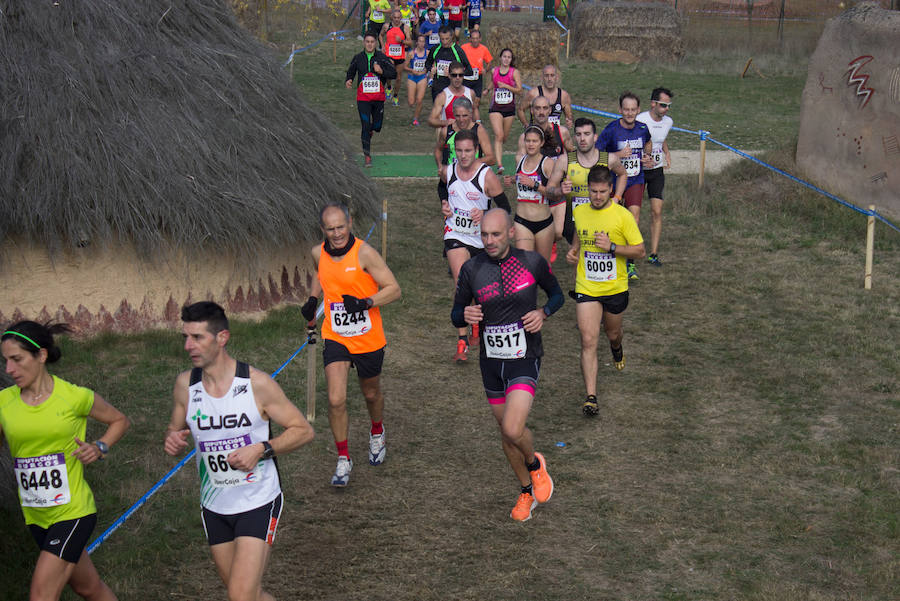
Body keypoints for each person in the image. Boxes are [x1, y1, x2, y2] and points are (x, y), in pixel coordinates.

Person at [164, 302, 313, 601]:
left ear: (222, 338)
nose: (188, 346)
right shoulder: (185, 385)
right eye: (185, 337)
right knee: (247, 594)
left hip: (258, 501)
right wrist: (172, 439)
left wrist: (261, 449)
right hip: (215, 505)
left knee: (241, 596)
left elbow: (303, 430)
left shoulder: (256, 384)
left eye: (197, 338)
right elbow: (174, 428)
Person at [1, 321, 130, 601]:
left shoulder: (73, 397)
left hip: (72, 512)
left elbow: (119, 420)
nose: (9, 370)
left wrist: (99, 447)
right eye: (6, 361)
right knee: (88, 588)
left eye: (16, 359)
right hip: (36, 514)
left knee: (41, 594)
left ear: (41, 355)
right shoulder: (3, 402)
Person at [451, 209, 564, 521]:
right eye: (484, 234)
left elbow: (557, 295)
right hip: (491, 363)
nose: (488, 241)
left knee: (513, 428)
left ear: (511, 232)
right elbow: (456, 312)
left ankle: (534, 463)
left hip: (524, 358)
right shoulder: (472, 269)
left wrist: (543, 313)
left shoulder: (531, 262)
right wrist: (465, 316)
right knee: (505, 434)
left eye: (495, 234)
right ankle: (526, 490)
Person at [301, 202, 401, 487]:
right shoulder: (316, 253)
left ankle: (377, 431)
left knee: (371, 394)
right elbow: (321, 276)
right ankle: (343, 458)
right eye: (330, 229)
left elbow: (394, 289)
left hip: (368, 336)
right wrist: (312, 299)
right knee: (335, 399)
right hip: (336, 335)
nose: (336, 234)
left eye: (340, 227)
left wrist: (366, 302)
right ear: (322, 229)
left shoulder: (365, 253)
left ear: (350, 223)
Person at [566, 166, 644, 416]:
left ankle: (617, 347)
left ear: (611, 189)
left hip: (614, 286)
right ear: (587, 189)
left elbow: (639, 251)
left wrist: (611, 247)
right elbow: (580, 234)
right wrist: (575, 250)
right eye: (593, 191)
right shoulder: (579, 210)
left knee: (612, 333)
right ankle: (591, 397)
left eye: (602, 192)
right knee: (588, 340)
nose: (597, 196)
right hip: (587, 285)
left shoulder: (623, 217)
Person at [440, 129, 509, 361]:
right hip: (455, 234)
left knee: (482, 289)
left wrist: (486, 212)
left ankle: (477, 325)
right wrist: (444, 204)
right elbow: (442, 187)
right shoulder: (448, 171)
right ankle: (461, 341)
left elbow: (505, 209)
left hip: (481, 238)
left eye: (468, 150)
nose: (463, 155)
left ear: (476, 151)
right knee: (461, 283)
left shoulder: (486, 176)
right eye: (459, 151)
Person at [545, 117, 628, 248]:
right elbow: (549, 190)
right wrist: (559, 190)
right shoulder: (564, 161)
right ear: (574, 138)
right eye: (578, 134)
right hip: (574, 218)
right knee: (581, 254)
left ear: (595, 137)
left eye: (587, 134)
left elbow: (623, 174)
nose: (582, 139)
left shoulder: (609, 159)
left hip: (602, 214)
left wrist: (617, 198)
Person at [596, 91, 652, 279]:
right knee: (612, 220)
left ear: (638, 110)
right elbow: (597, 154)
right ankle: (609, 254)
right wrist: (618, 156)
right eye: (626, 110)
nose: (629, 113)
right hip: (615, 181)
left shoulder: (643, 128)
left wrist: (647, 156)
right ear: (620, 110)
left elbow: (649, 143)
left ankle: (630, 264)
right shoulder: (611, 130)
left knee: (633, 218)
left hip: (635, 179)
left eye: (633, 110)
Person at [504, 125, 556, 263]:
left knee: (543, 266)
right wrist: (513, 179)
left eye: (534, 141)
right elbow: (522, 178)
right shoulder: (519, 160)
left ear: (542, 143)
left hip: (543, 222)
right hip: (522, 221)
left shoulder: (547, 163)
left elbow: (554, 194)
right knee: (524, 265)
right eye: (528, 141)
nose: (531, 144)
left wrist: (535, 186)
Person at [345, 33, 397, 167]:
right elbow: (351, 71)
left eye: (372, 42)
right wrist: (349, 80)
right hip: (363, 98)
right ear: (364, 43)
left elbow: (394, 73)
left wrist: (381, 72)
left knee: (377, 126)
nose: (369, 44)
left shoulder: (382, 58)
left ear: (375, 43)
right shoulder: (358, 58)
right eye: (367, 41)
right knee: (365, 126)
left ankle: (371, 131)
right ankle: (367, 156)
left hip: (378, 98)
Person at [636, 87, 674, 266]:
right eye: (663, 105)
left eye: (669, 105)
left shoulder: (668, 122)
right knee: (633, 213)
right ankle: (631, 254)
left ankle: (654, 254)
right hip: (639, 171)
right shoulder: (640, 119)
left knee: (657, 211)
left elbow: (661, 137)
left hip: (657, 171)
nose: (667, 109)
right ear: (653, 103)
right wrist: (642, 158)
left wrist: (666, 153)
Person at [484, 48, 522, 175]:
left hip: (509, 109)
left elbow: (520, 91)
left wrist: (506, 86)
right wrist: (487, 90)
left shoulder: (514, 72)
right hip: (495, 108)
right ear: (500, 57)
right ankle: (499, 165)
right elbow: (492, 83)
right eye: (504, 56)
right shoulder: (494, 71)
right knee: (499, 135)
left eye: (509, 57)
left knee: (504, 137)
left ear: (511, 60)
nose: (506, 59)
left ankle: (498, 148)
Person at [424, 25, 473, 101]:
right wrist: (431, 69)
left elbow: (469, 71)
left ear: (451, 37)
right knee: (438, 111)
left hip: (453, 88)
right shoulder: (435, 49)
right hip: (438, 87)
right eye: (442, 39)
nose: (444, 42)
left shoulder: (458, 51)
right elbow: (427, 64)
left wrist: (453, 74)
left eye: (447, 39)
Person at [518, 64, 574, 129]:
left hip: (554, 134)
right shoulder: (533, 94)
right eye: (546, 76)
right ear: (542, 77)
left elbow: (569, 117)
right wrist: (526, 125)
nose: (549, 79)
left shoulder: (564, 96)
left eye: (552, 75)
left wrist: (569, 123)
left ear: (557, 77)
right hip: (537, 133)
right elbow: (520, 110)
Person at [518, 95, 572, 160]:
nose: (541, 112)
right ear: (532, 110)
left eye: (545, 108)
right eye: (538, 108)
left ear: (550, 110)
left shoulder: (562, 132)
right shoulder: (524, 137)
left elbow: (572, 154)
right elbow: (521, 163)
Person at [427, 61, 479, 127]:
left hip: (468, 135)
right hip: (450, 135)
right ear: (449, 75)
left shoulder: (471, 93)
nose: (457, 78)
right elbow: (431, 120)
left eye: (460, 75)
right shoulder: (442, 96)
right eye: (454, 75)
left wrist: (478, 122)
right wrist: (445, 122)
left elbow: (475, 109)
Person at [380, 9, 412, 106]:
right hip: (389, 55)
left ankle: (395, 96)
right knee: (389, 73)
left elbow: (410, 42)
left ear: (401, 18)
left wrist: (402, 41)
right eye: (395, 17)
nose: (397, 20)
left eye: (398, 18)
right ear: (391, 18)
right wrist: (382, 46)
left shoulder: (405, 27)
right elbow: (381, 36)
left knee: (398, 78)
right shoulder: (386, 26)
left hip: (400, 55)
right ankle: (389, 87)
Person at [460, 29, 492, 113]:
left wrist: (486, 70)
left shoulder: (484, 49)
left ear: (480, 39)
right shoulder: (464, 47)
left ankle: (474, 122)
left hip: (478, 77)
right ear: (470, 39)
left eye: (477, 38)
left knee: (476, 103)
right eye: (473, 38)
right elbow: (457, 60)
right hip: (466, 77)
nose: (475, 40)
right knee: (465, 101)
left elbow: (489, 62)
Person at [405, 33, 430, 125]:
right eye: (420, 41)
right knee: (411, 102)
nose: (422, 43)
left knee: (419, 100)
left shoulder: (427, 53)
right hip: (412, 77)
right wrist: (412, 70)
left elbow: (432, 65)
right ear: (417, 43)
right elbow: (405, 66)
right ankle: (413, 101)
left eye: (423, 42)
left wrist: (426, 70)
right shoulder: (411, 53)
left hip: (422, 77)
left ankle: (416, 119)